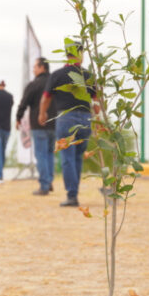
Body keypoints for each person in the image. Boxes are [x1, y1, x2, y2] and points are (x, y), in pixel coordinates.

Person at [40, 45, 96, 208]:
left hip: (66, 118)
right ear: (80, 55)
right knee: (78, 157)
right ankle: (74, 193)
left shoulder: (57, 75)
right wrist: (98, 121)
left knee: (67, 158)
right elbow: (97, 100)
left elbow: (46, 97)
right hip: (86, 118)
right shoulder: (88, 75)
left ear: (67, 55)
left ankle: (72, 195)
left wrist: (42, 113)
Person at [16, 57, 56, 195]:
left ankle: (44, 185)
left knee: (41, 155)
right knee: (50, 154)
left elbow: (24, 102)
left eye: (35, 67)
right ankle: (49, 180)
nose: (33, 69)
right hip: (54, 124)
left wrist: (18, 118)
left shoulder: (34, 84)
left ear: (42, 68)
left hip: (39, 125)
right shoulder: (54, 83)